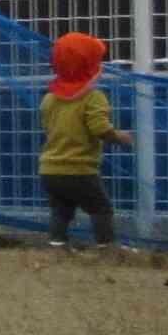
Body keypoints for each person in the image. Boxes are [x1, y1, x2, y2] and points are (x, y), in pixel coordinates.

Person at [37, 29, 131, 250]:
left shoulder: (49, 99)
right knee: (101, 208)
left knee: (61, 210)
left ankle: (57, 244)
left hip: (50, 168)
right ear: (92, 69)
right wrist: (120, 136)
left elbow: (47, 126)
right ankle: (107, 247)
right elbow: (99, 129)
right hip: (79, 168)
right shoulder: (93, 97)